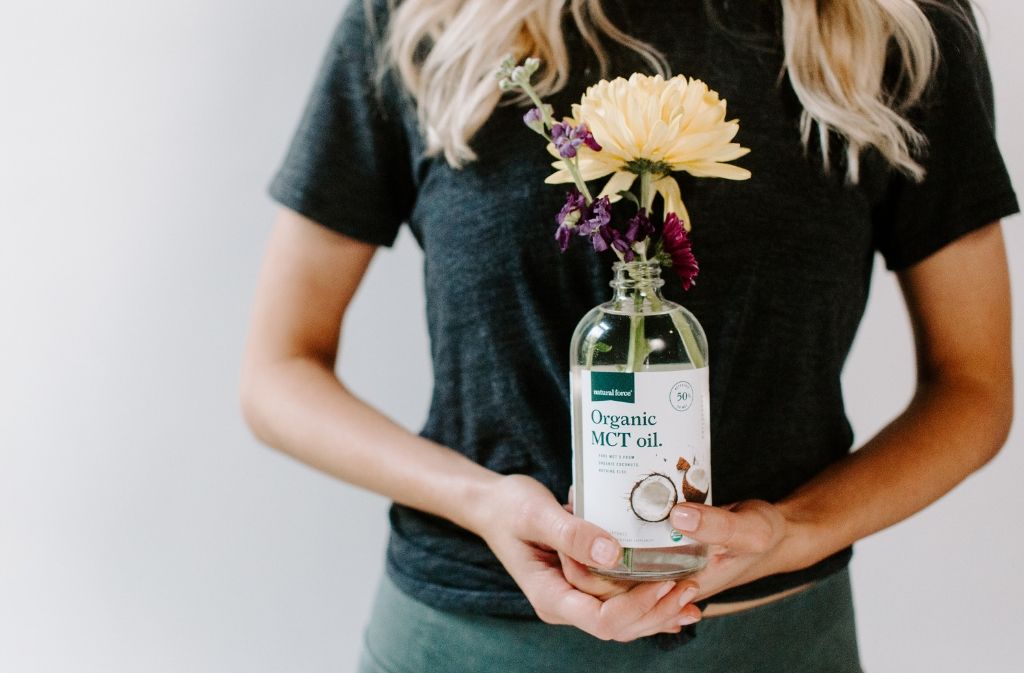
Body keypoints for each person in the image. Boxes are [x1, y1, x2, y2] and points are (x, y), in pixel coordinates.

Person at [241, 0, 1018, 670]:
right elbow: (278, 371)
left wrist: (791, 529)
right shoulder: (430, 19)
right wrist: (483, 503)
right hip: (470, 640)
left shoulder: (893, 24)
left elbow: (973, 384)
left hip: (773, 642)